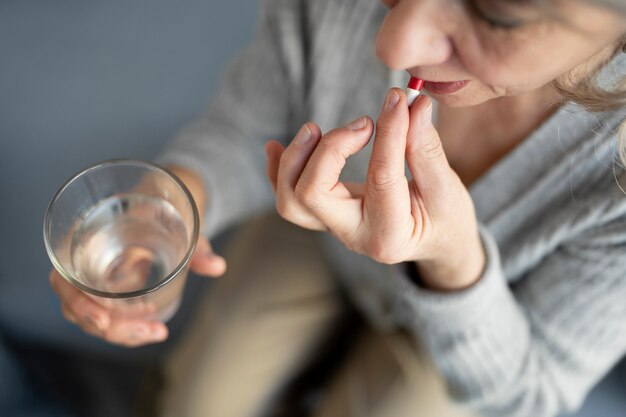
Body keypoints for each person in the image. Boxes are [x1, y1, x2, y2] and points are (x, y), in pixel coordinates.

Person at [49, 0, 626, 416]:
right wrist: (170, 209)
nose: (395, 46)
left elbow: (533, 391)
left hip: (483, 332)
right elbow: (250, 126)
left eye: (496, 13)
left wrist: (455, 261)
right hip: (312, 235)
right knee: (200, 401)